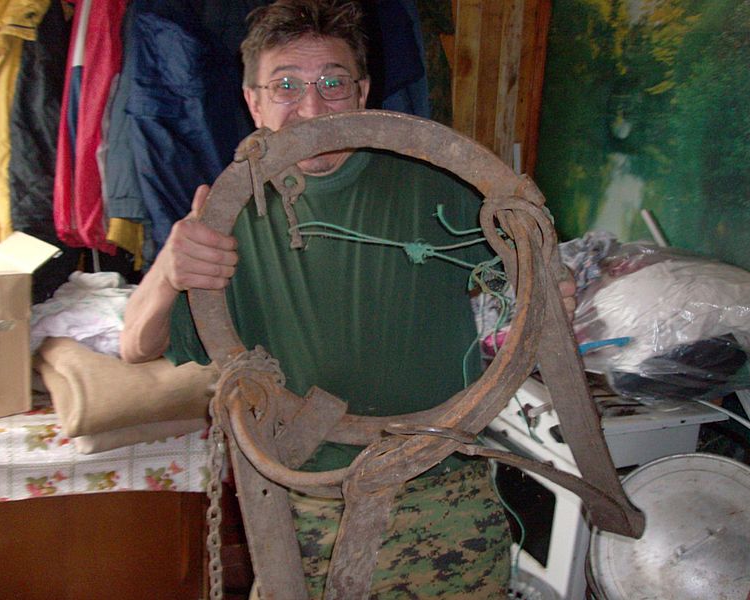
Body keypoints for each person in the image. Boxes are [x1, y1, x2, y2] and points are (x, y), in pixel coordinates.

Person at [121, 1, 576, 597]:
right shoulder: (226, 219)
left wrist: (551, 298)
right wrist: (168, 271)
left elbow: (533, 290)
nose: (312, 108)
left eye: (332, 83)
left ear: (362, 93)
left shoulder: (442, 181)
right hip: (306, 500)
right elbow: (136, 346)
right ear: (254, 101)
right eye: (286, 86)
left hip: (443, 486)